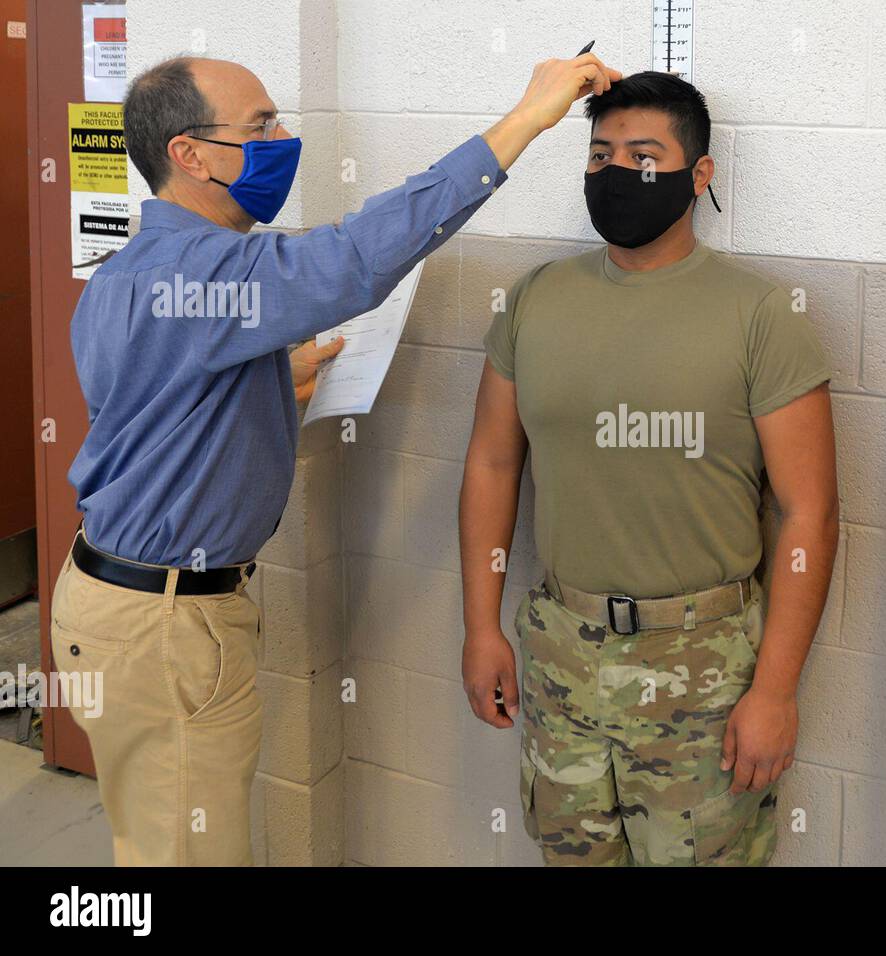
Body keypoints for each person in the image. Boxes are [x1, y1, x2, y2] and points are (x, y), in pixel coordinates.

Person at [52, 51, 621, 866]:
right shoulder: (205, 273)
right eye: (261, 128)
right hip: (163, 626)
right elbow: (354, 261)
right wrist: (525, 119)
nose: (285, 139)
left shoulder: (131, 272)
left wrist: (265, 384)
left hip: (121, 603)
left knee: (156, 841)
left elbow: (142, 410)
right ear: (191, 154)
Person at [459, 72, 840, 866]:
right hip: (562, 657)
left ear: (699, 175)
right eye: (599, 154)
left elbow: (810, 514)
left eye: (642, 154)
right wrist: (480, 626)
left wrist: (774, 691)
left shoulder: (761, 315)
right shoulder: (535, 299)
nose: (614, 172)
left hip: (705, 672)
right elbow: (493, 464)